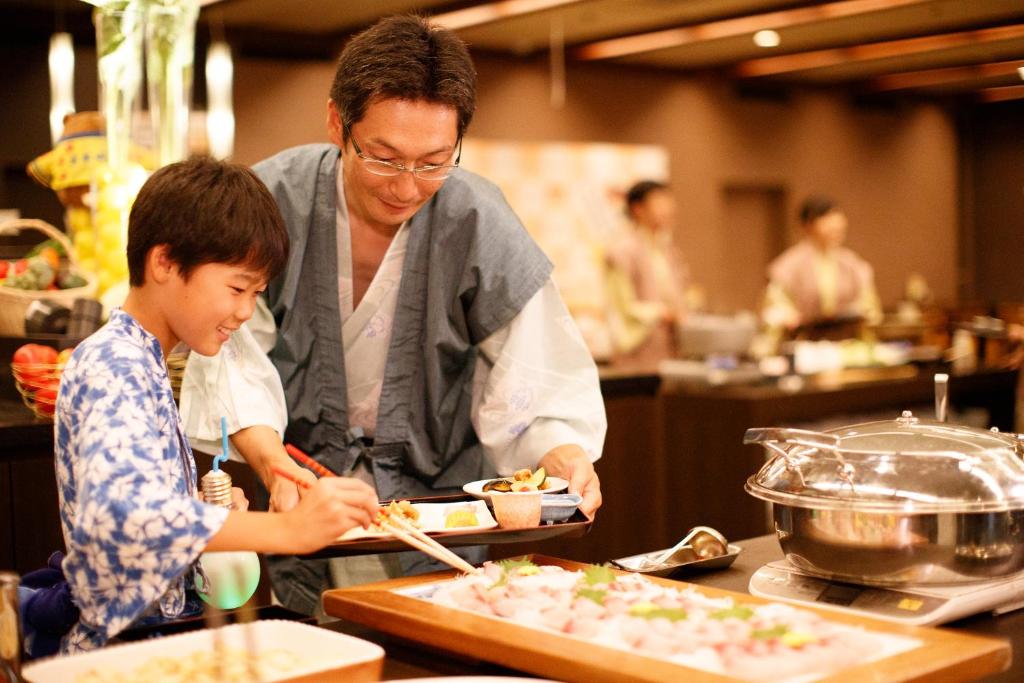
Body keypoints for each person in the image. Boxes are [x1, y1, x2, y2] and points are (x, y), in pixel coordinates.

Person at [181, 14, 606, 614]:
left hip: (442, 507)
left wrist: (562, 453)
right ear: (338, 122)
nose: (406, 187)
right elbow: (231, 354)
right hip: (307, 496)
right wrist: (273, 467)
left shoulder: (477, 217)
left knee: (437, 642)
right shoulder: (273, 200)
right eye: (383, 158)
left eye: (434, 161)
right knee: (323, 642)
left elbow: (534, 369)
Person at [54, 158, 380, 653]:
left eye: (257, 293)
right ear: (163, 262)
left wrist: (208, 516)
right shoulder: (114, 363)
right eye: (236, 288)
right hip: (121, 657)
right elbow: (122, 516)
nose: (246, 311)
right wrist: (288, 530)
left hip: (151, 644)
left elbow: (148, 515)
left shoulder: (146, 360)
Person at [762, 196, 881, 335]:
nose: (834, 227)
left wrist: (862, 314)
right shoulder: (789, 264)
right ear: (808, 225)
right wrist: (788, 316)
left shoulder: (852, 263)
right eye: (826, 220)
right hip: (803, 339)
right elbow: (775, 306)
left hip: (845, 338)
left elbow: (869, 305)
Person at [606, 180, 690, 366]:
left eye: (669, 203)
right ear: (638, 209)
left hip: (668, 348)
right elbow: (621, 307)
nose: (669, 210)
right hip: (637, 351)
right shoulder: (621, 250)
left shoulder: (667, 250)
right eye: (660, 203)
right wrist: (662, 313)